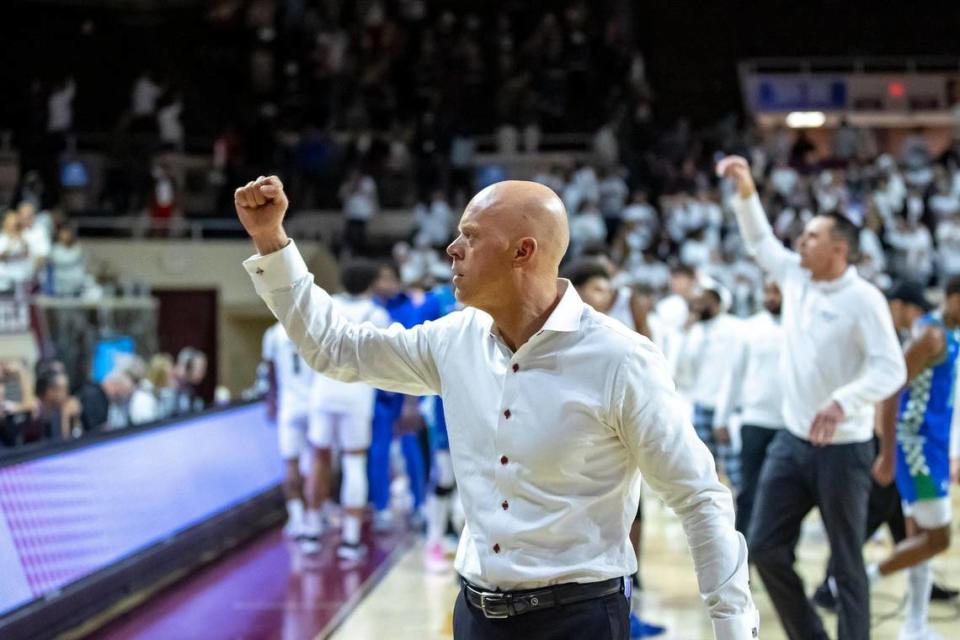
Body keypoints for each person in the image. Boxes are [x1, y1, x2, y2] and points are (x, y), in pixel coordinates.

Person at [237, 176, 757, 639]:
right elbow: (336, 349)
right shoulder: (452, 340)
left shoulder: (620, 359)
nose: (451, 248)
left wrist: (734, 626)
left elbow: (698, 496)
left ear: (522, 252)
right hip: (476, 616)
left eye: (471, 235)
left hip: (579, 621)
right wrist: (271, 242)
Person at [719, 155, 906, 640]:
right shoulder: (796, 276)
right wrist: (745, 187)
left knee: (846, 563)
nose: (800, 240)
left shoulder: (864, 300)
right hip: (792, 440)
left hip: (845, 450)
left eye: (812, 236)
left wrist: (844, 400)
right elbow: (759, 240)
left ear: (839, 249)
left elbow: (892, 367)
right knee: (762, 547)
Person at [867, 277, 960, 639]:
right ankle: (861, 581)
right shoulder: (931, 337)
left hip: (929, 445)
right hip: (918, 448)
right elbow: (890, 390)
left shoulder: (944, 335)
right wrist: (887, 453)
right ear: (952, 299)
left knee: (919, 540)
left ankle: (914, 626)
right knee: (939, 539)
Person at [308, 259, 390, 560]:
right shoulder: (377, 314)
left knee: (319, 458)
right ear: (371, 284)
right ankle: (351, 539)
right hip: (356, 393)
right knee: (355, 461)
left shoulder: (327, 303)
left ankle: (311, 529)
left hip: (323, 390)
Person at [713, 280, 784, 536]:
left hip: (791, 425)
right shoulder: (750, 328)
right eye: (767, 290)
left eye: (776, 291)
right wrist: (722, 416)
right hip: (754, 421)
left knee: (784, 496)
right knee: (749, 492)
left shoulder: (802, 327)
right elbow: (734, 375)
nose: (771, 296)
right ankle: (743, 559)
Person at [262, 319, 317, 543]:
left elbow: (270, 372)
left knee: (291, 463)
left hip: (289, 407)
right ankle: (314, 515)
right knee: (316, 464)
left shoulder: (273, 334)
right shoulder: (310, 327)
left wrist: (272, 401)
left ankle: (297, 518)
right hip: (313, 405)